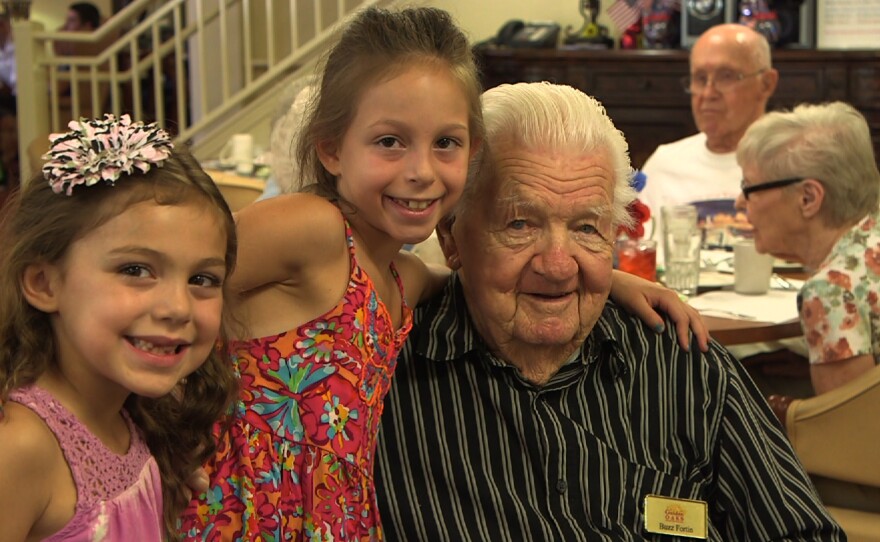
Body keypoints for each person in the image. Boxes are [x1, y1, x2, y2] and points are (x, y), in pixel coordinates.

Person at [180, 7, 709, 541]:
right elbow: (169, 287)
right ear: (332, 148)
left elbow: (469, 278)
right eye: (390, 141)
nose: (421, 171)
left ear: (471, 151)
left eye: (446, 143)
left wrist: (604, 277)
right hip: (236, 512)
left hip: (331, 521)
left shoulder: (399, 277)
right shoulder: (309, 228)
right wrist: (168, 422)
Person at [373, 82, 843, 541]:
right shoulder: (380, 382)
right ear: (452, 237)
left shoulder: (682, 364)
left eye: (586, 228)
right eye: (520, 223)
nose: (558, 266)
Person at [0, 114, 238, 540]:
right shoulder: (20, 447)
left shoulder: (132, 420)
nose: (177, 307)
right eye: (136, 269)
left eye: (202, 279)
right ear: (44, 283)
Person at [735, 101, 880, 398]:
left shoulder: (832, 290)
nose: (739, 202)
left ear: (808, 198)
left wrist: (775, 409)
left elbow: (847, 430)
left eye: (749, 187)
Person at [640, 23, 778, 255]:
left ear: (766, 84)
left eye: (726, 76)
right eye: (700, 78)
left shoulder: (792, 162)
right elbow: (637, 256)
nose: (708, 93)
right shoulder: (664, 163)